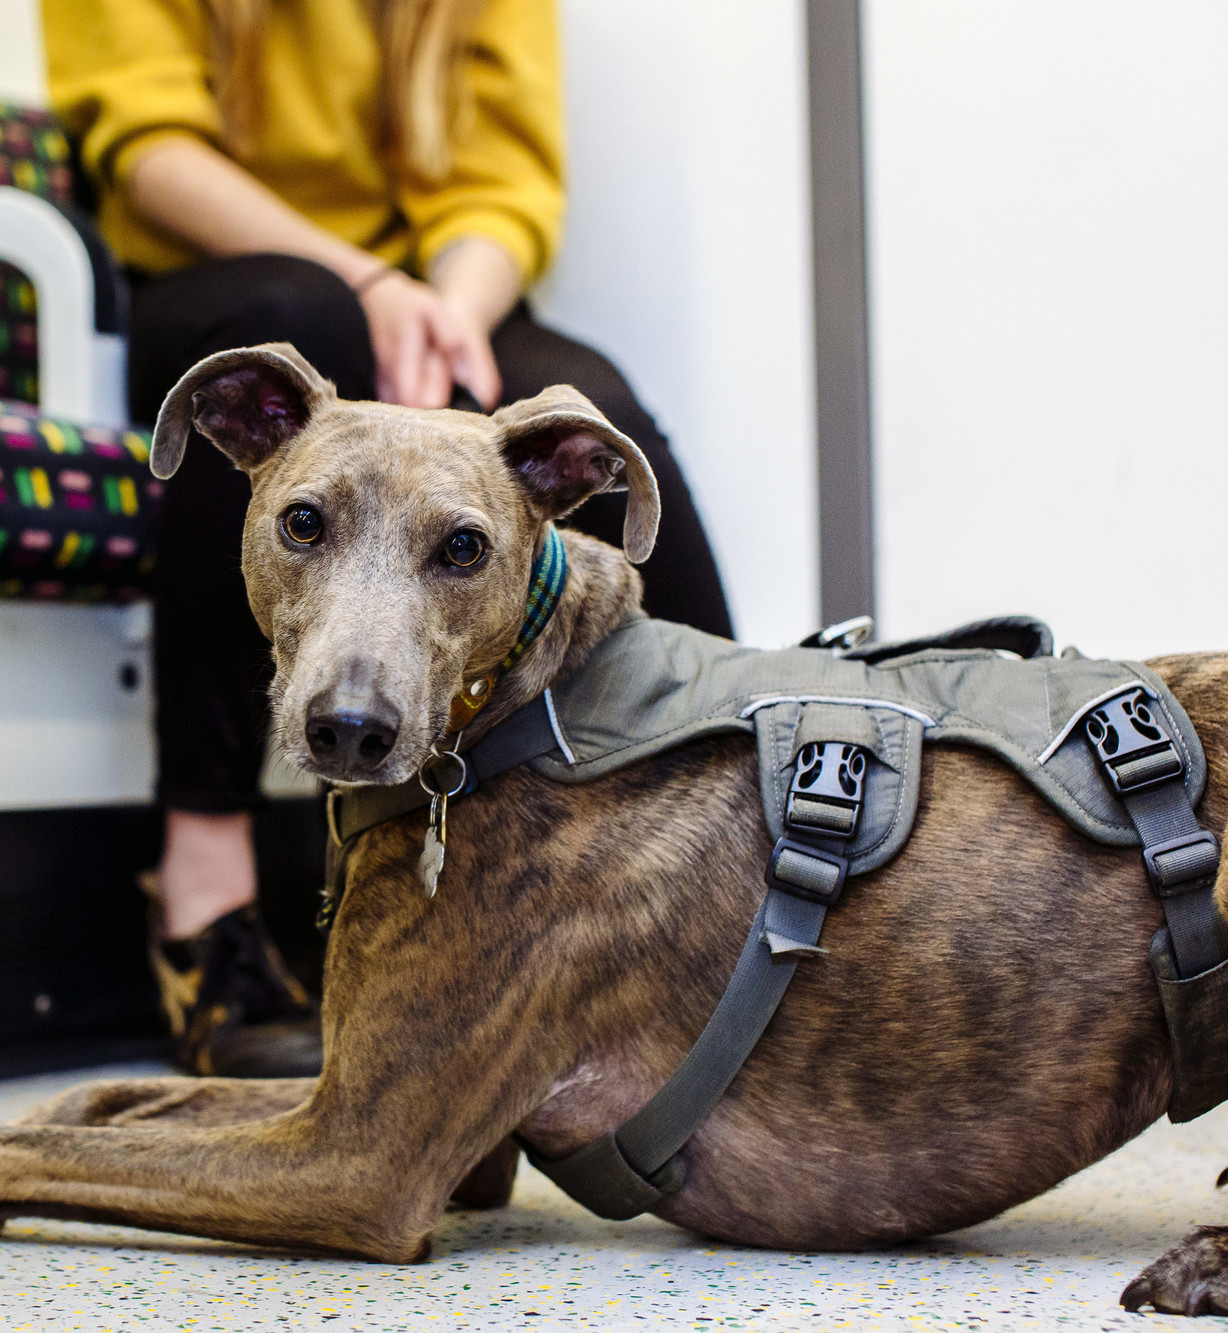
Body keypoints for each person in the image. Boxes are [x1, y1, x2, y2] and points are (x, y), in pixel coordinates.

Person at [44, 0, 734, 1077]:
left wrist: (444, 314)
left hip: (437, 281)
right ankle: (204, 883)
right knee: (298, 309)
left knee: (601, 403)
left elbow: (500, 181)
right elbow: (147, 151)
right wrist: (366, 286)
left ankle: (721, 857)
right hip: (219, 263)